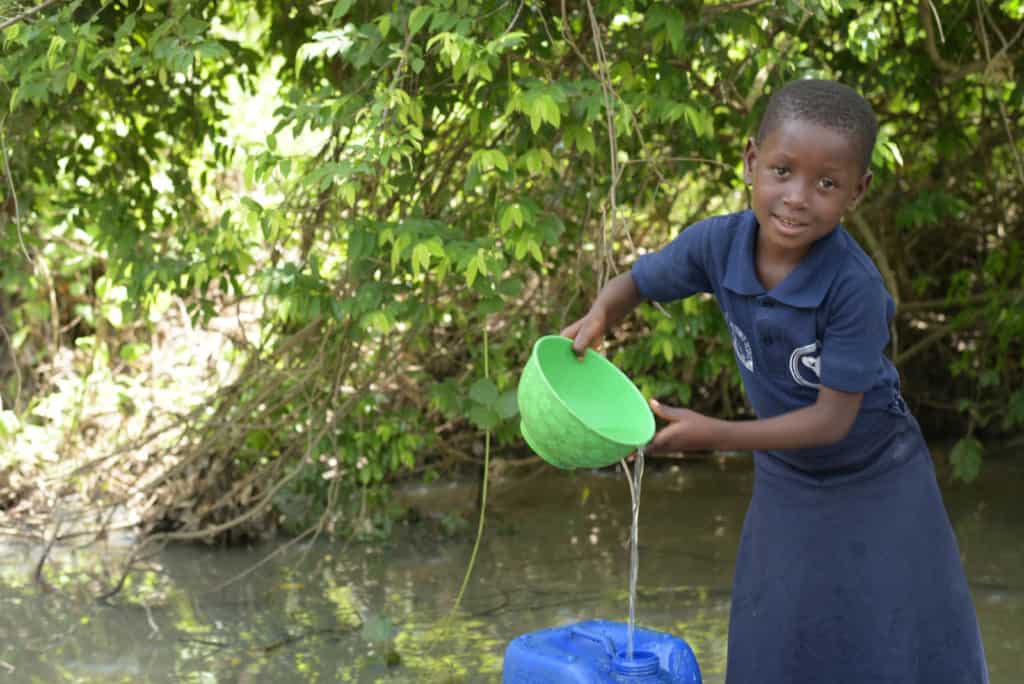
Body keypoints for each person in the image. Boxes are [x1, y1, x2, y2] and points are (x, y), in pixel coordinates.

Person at [560, 79, 988, 683]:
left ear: (857, 192)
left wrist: (714, 434)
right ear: (750, 161)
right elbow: (636, 284)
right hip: (790, 478)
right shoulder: (718, 244)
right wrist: (602, 314)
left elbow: (831, 421)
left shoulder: (854, 289)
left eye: (826, 184)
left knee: (902, 639)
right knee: (776, 634)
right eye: (782, 170)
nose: (797, 198)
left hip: (881, 478)